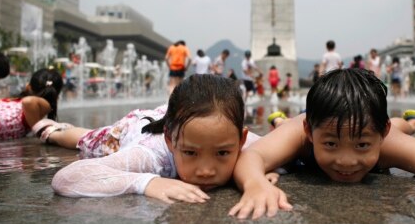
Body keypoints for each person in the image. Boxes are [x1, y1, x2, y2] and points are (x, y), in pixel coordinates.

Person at [229, 68, 415, 221]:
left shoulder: (387, 142)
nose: (347, 160)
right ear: (310, 132)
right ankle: (282, 122)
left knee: (403, 129)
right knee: (285, 131)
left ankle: (408, 122)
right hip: (298, 125)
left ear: (380, 135)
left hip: (390, 128)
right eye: (331, 144)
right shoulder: (301, 132)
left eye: (362, 146)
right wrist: (255, 184)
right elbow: (253, 156)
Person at [50, 74, 271, 201]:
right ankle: (51, 130)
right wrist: (147, 182)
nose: (206, 170)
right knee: (87, 139)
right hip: (133, 129)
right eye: (190, 153)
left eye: (222, 153)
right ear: (170, 141)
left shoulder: (242, 140)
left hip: (177, 119)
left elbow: (292, 146)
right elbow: (66, 178)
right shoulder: (153, 155)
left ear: (241, 140)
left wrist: (259, 173)